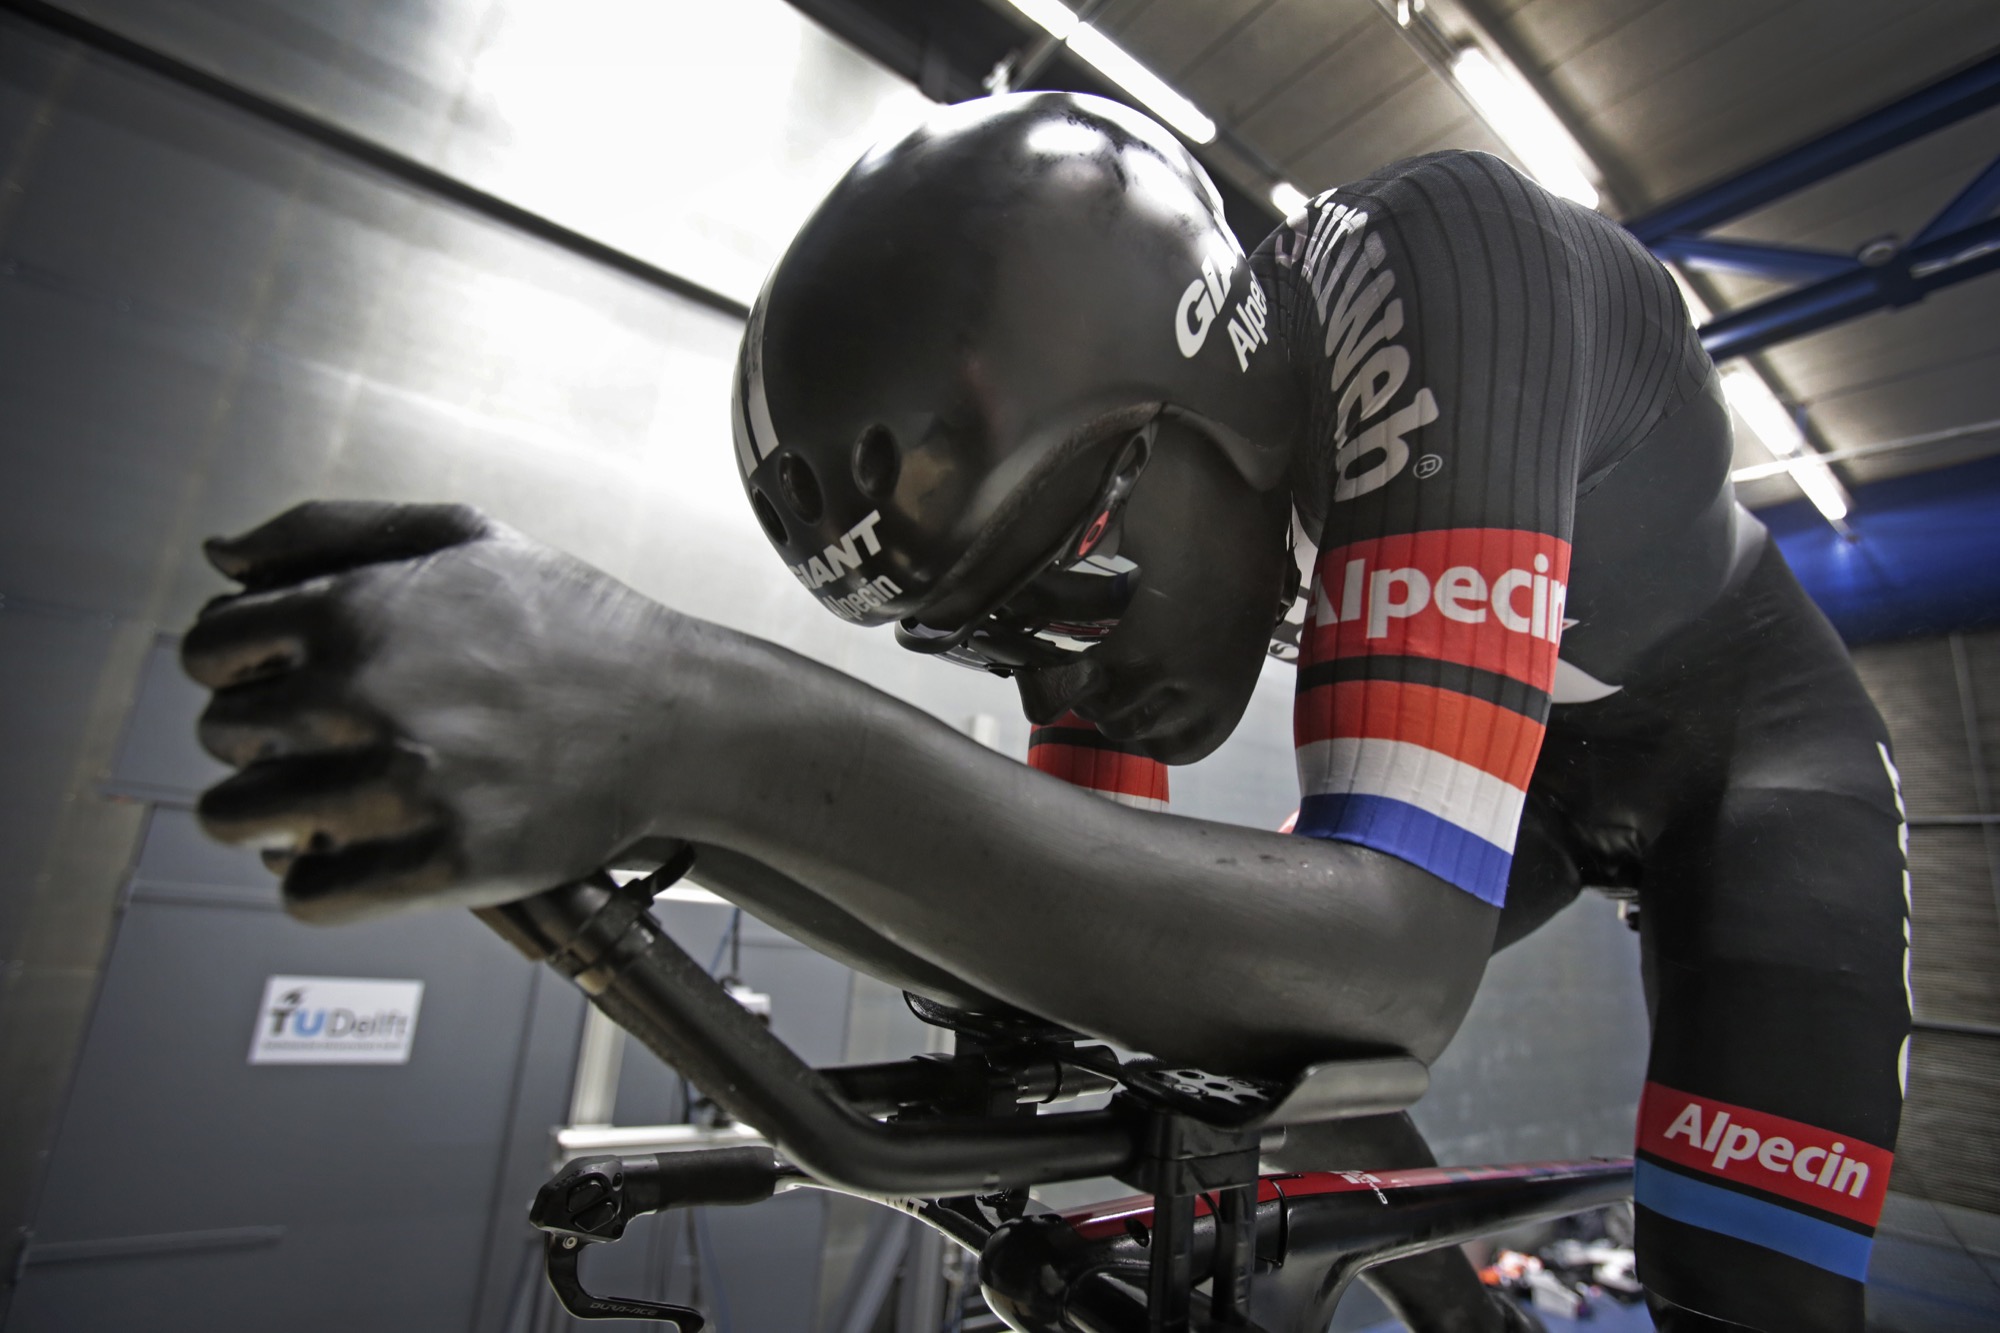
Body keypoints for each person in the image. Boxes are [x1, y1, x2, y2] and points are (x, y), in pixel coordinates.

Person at [180, 94, 1909, 1331]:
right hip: (1531, 763)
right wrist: (641, 797)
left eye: (1068, 594)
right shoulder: (1163, 465)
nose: (1066, 681)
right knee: (1248, 1058)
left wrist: (684, 713)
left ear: (1203, 389)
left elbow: (1390, 953)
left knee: (1744, 1288)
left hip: (1751, 768)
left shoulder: (1451, 270)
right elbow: (1074, 953)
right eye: (992, 643)